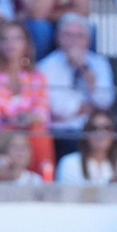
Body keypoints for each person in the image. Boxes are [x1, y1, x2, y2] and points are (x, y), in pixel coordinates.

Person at [0, 20, 53, 180]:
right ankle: (5, 179)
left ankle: (43, 183)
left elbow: (42, 112)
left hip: (29, 129)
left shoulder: (37, 76)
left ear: (26, 44)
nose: (11, 44)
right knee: (12, 139)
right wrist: (18, 119)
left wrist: (28, 119)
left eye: (17, 38)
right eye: (5, 39)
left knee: (40, 133)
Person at [37, 11, 110, 141]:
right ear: (58, 38)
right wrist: (88, 108)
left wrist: (85, 69)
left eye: (79, 36)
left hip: (94, 128)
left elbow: (105, 100)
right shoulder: (46, 66)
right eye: (68, 35)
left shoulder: (99, 63)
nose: (73, 41)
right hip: (63, 130)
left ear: (88, 40)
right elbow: (58, 110)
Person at [55, 107, 117, 183]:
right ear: (86, 133)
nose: (100, 133)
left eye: (107, 128)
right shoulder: (70, 163)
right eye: (93, 128)